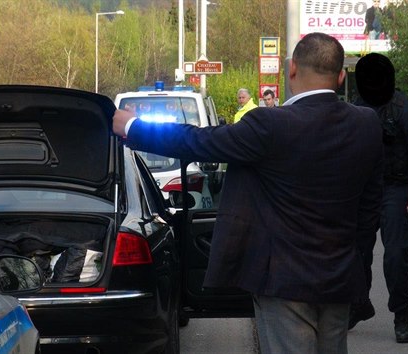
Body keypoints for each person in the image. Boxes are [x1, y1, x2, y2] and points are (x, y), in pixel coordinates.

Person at [113, 32, 384, 354]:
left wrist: (133, 126)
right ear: (341, 76)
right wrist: (357, 267)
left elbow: (198, 141)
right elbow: (370, 209)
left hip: (284, 281)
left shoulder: (271, 125)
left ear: (292, 69)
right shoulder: (367, 124)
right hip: (340, 278)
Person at [350, 53, 408, 344]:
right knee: (354, 252)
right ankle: (358, 305)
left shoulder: (406, 110)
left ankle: (402, 315)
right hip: (363, 191)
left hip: (395, 189)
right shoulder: (356, 110)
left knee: (397, 254)